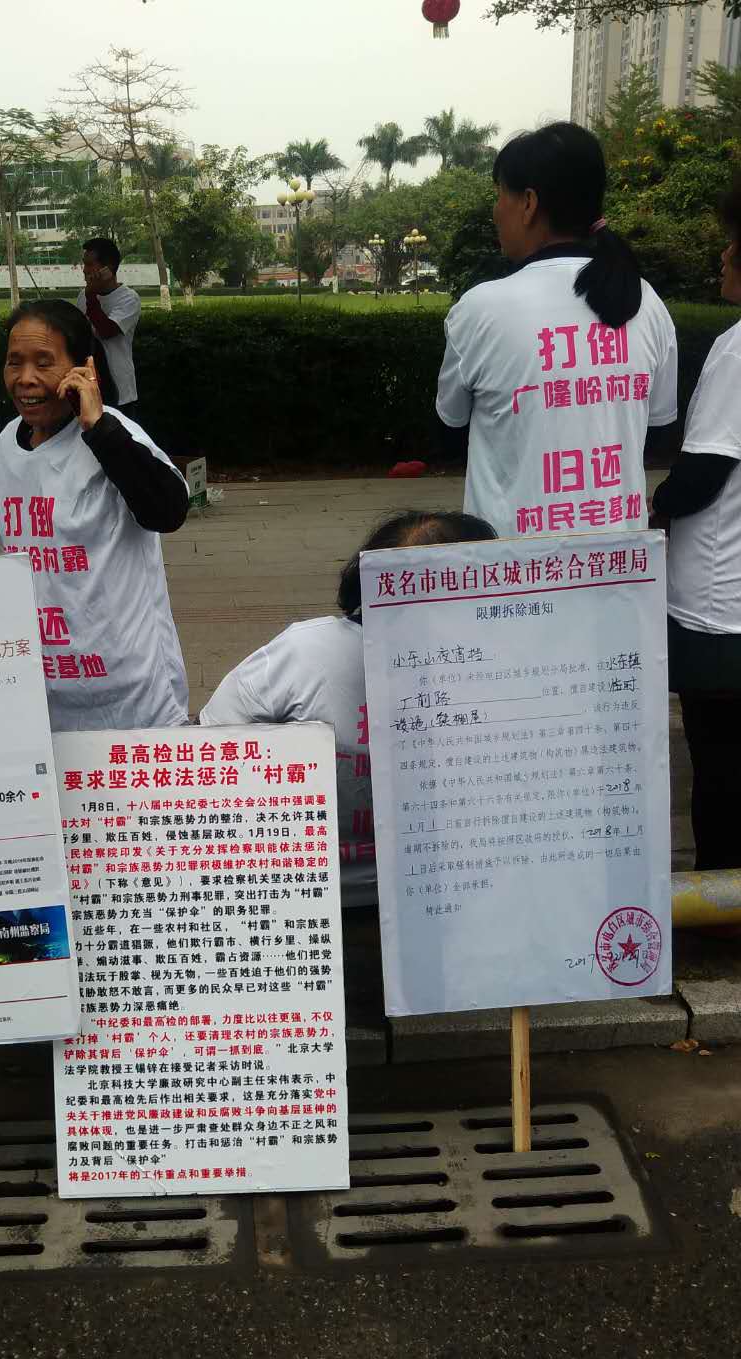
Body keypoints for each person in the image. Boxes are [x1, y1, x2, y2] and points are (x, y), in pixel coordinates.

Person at [200, 510, 497, 909]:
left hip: (307, 900)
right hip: (426, 901)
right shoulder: (502, 668)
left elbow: (209, 741)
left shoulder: (304, 652)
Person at [436, 122, 677, 540]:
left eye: (499, 195)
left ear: (528, 203)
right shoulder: (648, 303)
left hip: (513, 568)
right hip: (619, 564)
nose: (496, 211)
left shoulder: (480, 310)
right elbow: (656, 430)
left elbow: (449, 430)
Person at [0, 298, 189, 732]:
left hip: (132, 690)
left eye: (44, 362)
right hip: (51, 685)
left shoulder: (114, 433)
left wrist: (99, 429)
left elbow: (169, 511)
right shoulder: (7, 444)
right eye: (14, 362)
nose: (26, 379)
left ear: (82, 368)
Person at [653, 175, 741, 871]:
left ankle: (722, 903)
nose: (723, 256)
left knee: (721, 770)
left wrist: (653, 508)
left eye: (731, 243)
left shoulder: (737, 349)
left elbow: (703, 474)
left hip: (721, 609)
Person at [76, 238, 142, 423]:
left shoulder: (129, 299)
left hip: (120, 393)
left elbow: (106, 331)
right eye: (84, 264)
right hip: (89, 388)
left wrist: (91, 297)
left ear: (108, 268)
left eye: (90, 264)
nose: (84, 270)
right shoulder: (83, 296)